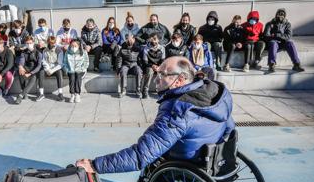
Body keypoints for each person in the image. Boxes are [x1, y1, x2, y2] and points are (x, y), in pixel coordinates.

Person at [75, 56, 235, 175]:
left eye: (162, 75)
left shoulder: (176, 111)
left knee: (156, 158)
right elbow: (229, 128)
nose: (156, 80)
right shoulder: (214, 91)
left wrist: (96, 165)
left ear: (180, 79)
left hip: (190, 162)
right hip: (215, 154)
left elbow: (140, 155)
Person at [264, 8, 304, 74]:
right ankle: (271, 65)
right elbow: (266, 35)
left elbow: (288, 36)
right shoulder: (270, 24)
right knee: (273, 43)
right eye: (279, 14)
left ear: (285, 15)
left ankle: (296, 64)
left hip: (283, 43)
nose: (280, 15)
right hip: (274, 43)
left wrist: (276, 35)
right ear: (276, 14)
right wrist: (276, 37)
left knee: (290, 43)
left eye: (282, 14)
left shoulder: (287, 24)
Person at [15, 36, 44, 104]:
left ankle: (21, 95)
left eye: (30, 43)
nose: (29, 45)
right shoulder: (24, 52)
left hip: (36, 69)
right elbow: (22, 60)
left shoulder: (38, 52)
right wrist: (20, 66)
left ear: (33, 43)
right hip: (28, 67)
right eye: (27, 43)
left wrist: (30, 73)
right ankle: (24, 92)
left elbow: (39, 65)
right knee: (20, 71)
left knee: (33, 77)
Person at [116, 33, 142, 98]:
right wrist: (118, 71)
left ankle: (138, 90)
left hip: (134, 65)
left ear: (134, 39)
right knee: (122, 71)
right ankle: (123, 90)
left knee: (138, 71)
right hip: (126, 64)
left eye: (131, 39)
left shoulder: (138, 47)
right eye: (127, 39)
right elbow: (119, 60)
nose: (129, 40)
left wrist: (142, 69)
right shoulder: (122, 48)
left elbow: (141, 59)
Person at [63, 38, 89, 103]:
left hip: (80, 70)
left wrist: (83, 68)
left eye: (75, 46)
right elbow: (65, 62)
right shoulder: (67, 52)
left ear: (79, 46)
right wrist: (67, 69)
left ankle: (77, 94)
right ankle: (72, 94)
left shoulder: (83, 52)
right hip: (70, 70)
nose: (73, 47)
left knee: (78, 76)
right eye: (72, 46)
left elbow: (86, 62)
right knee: (72, 77)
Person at [141, 33, 166, 99]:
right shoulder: (146, 48)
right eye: (152, 39)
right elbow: (145, 61)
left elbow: (163, 60)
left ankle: (161, 91)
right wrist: (152, 66)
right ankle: (145, 91)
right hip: (150, 66)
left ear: (158, 40)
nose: (153, 41)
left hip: (159, 65)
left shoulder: (162, 48)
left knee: (162, 72)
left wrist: (159, 67)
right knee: (149, 72)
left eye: (155, 39)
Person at [41, 36, 65, 101]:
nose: (53, 44)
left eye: (54, 42)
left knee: (59, 72)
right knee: (41, 72)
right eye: (51, 43)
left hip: (56, 69)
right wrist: (47, 69)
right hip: (48, 69)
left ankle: (60, 93)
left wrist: (52, 70)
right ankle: (41, 93)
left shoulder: (59, 50)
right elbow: (44, 61)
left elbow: (60, 64)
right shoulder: (45, 50)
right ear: (48, 42)